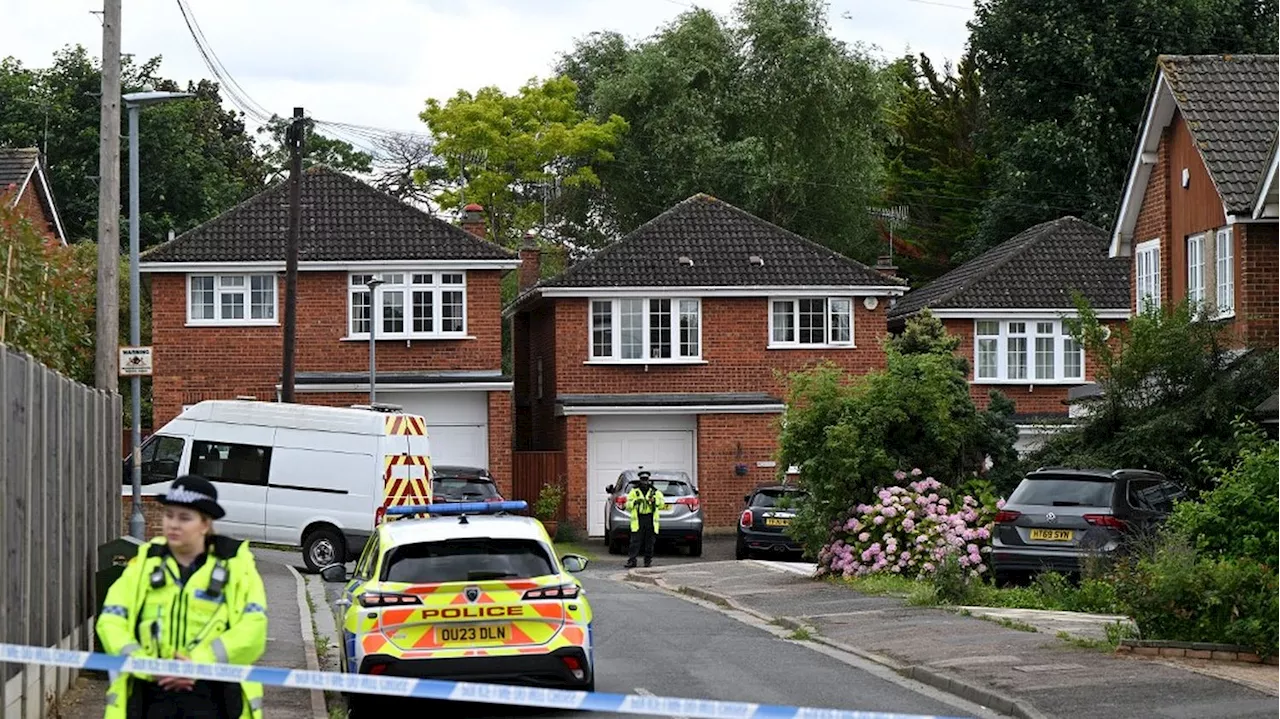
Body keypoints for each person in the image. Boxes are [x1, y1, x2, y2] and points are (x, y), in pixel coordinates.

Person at [98, 475, 269, 719]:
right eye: (169, 515)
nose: (173, 524)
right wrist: (146, 664)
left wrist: (198, 663)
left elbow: (253, 629)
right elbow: (111, 620)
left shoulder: (235, 565)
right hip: (149, 695)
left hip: (214, 698)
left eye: (184, 518)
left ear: (205, 524)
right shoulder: (145, 562)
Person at [624, 470, 666, 568]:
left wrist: (654, 500)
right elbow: (627, 504)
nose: (644, 482)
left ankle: (647, 561)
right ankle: (632, 561)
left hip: (650, 519)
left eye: (646, 480)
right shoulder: (634, 491)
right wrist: (635, 502)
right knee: (635, 542)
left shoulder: (654, 491)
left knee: (649, 543)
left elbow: (662, 503)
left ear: (648, 480)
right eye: (642, 480)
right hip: (638, 519)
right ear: (640, 480)